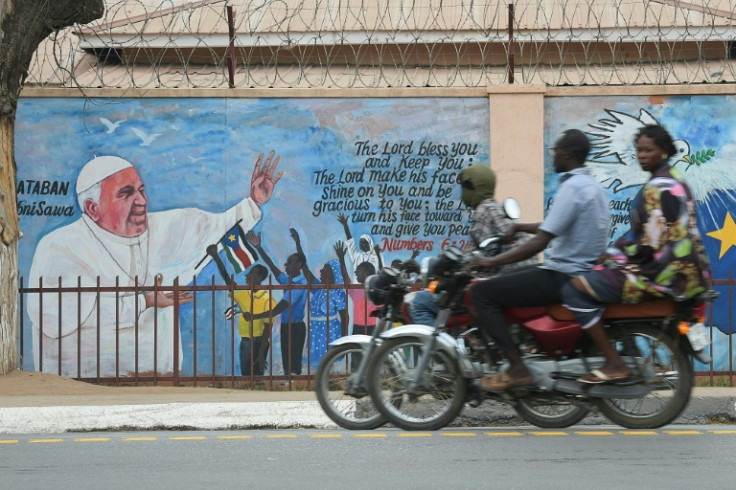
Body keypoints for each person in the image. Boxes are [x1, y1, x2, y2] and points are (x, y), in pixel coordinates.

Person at [27, 152, 283, 377]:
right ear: (93, 208)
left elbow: (217, 227)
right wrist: (146, 301)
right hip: (83, 384)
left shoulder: (162, 229)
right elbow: (56, 318)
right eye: (125, 194)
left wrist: (254, 202)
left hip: (157, 380)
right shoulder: (59, 247)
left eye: (141, 190)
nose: (140, 201)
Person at [561, 124, 713, 383]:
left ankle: (612, 362)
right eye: (639, 150)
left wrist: (611, 256)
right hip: (687, 272)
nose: (642, 155)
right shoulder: (675, 179)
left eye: (648, 150)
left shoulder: (658, 188)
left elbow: (649, 244)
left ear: (663, 151)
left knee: (575, 288)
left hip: (661, 274)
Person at [466, 129, 610, 390]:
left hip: (563, 274)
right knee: (508, 282)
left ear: (566, 154)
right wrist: (520, 227)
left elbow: (541, 241)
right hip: (582, 270)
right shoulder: (593, 187)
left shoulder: (572, 187)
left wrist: (489, 263)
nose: (553, 157)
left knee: (481, 293)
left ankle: (518, 368)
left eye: (555, 152)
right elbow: (555, 226)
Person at [409, 164, 538, 326]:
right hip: (524, 280)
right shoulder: (497, 210)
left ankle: (436, 350)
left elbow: (480, 259)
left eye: (463, 188)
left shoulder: (483, 212)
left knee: (420, 301)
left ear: (471, 189)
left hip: (504, 283)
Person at [245, 229, 309, 376]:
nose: (286, 266)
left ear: (299, 265)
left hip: (296, 327)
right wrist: (259, 247)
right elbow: (272, 267)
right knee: (286, 357)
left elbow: (278, 309)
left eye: (290, 263)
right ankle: (289, 380)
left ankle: (296, 383)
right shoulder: (289, 281)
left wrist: (254, 316)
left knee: (294, 359)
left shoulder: (299, 285)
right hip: (287, 326)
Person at [293, 230, 349, 369]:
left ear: (332, 274)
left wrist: (344, 341)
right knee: (314, 365)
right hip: (315, 331)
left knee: (331, 364)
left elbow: (345, 318)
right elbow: (305, 269)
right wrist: (298, 243)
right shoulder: (318, 288)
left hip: (330, 333)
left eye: (325, 270)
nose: (321, 271)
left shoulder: (338, 293)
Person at [228, 264, 276, 376]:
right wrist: (216, 257)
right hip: (245, 342)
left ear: (259, 277)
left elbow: (267, 329)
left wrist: (261, 354)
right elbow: (228, 283)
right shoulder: (243, 294)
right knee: (246, 375)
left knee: (257, 376)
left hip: (260, 342)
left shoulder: (267, 299)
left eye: (251, 273)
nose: (247, 275)